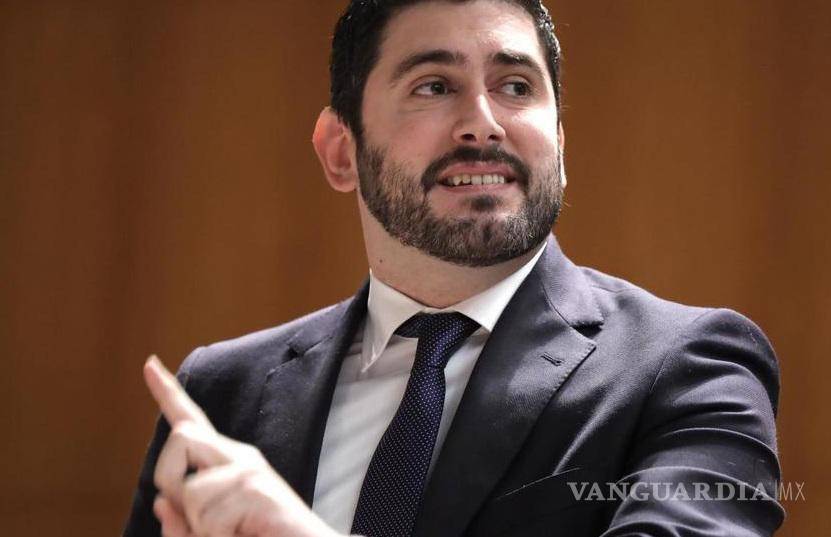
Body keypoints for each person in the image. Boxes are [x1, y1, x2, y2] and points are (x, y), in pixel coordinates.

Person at [124, 0, 784, 535]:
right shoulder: (221, 394)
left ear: (559, 145)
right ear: (340, 151)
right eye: (434, 86)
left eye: (516, 87)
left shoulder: (692, 368)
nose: (482, 124)